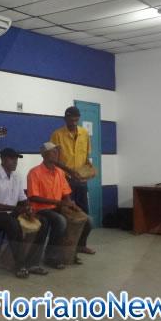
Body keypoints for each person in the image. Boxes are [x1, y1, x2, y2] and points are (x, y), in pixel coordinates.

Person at [0, 148, 49, 278]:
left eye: (16, 159)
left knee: (43, 221)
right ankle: (20, 265)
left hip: (9, 213)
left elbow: (23, 199)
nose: (15, 162)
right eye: (12, 159)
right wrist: (14, 209)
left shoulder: (16, 177)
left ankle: (33, 263)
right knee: (12, 223)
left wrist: (28, 208)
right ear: (3, 159)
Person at [27, 142, 88, 269]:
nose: (56, 154)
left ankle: (70, 253)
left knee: (87, 220)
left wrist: (71, 204)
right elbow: (33, 197)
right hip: (40, 209)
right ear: (44, 154)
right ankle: (51, 257)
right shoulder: (34, 172)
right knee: (60, 221)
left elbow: (65, 192)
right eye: (53, 151)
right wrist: (59, 203)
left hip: (58, 206)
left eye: (57, 151)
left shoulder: (60, 172)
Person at [50, 106, 95, 254]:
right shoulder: (57, 135)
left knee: (84, 214)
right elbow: (53, 160)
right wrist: (70, 171)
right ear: (65, 118)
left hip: (81, 181)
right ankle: (66, 248)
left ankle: (81, 245)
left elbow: (86, 156)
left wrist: (89, 168)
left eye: (76, 120)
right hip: (64, 181)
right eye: (71, 120)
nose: (74, 123)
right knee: (67, 214)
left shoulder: (84, 133)